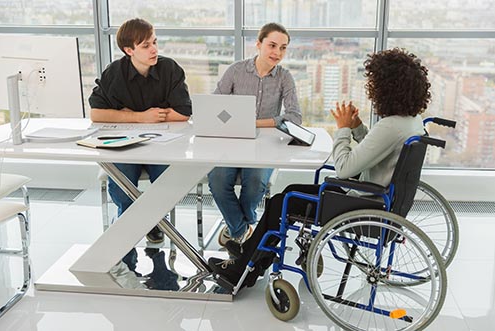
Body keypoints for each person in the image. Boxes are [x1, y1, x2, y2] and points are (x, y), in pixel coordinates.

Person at [208, 48, 431, 289]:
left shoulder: (389, 126)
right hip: (380, 199)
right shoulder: (410, 122)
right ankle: (251, 257)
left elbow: (344, 168)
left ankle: (243, 270)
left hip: (360, 203)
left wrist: (343, 129)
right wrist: (356, 127)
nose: (371, 90)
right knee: (289, 193)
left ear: (388, 87)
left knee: (281, 202)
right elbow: (378, 151)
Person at [88, 18, 192, 271]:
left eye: (154, 42)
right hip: (126, 144)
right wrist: (142, 116)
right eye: (146, 45)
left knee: (167, 182)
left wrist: (125, 113)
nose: (154, 49)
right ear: (129, 51)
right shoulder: (115, 72)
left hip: (162, 144)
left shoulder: (169, 69)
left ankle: (154, 222)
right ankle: (132, 228)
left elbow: (184, 112)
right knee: (122, 184)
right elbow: (97, 113)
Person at [208, 22, 302, 247]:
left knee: (256, 180)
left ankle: (236, 229)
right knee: (217, 180)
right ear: (258, 44)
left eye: (283, 48)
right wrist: (233, 122)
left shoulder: (285, 78)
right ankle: (244, 227)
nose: (277, 53)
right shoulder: (236, 71)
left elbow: (295, 118)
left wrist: (256, 123)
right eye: (272, 45)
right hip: (232, 142)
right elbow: (214, 106)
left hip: (265, 145)